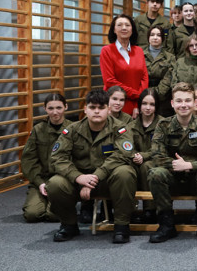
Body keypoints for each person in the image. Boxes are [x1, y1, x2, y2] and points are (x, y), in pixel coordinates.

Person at [47, 89, 137, 243]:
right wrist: (78, 177)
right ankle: (69, 224)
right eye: (92, 107)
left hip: (108, 180)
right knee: (55, 184)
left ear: (108, 110)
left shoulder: (120, 128)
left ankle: (121, 225)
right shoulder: (72, 130)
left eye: (101, 108)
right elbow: (57, 158)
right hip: (79, 180)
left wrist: (96, 176)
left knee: (125, 172)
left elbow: (123, 155)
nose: (97, 111)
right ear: (85, 109)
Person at [146, 82, 197, 242]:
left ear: (194, 102)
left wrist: (190, 165)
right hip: (173, 178)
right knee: (155, 173)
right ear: (172, 103)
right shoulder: (163, 125)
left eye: (188, 100)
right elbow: (156, 155)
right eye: (179, 101)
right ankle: (166, 225)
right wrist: (177, 166)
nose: (184, 105)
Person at [21, 92, 67, 222]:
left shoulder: (73, 129)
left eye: (59, 107)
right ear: (45, 109)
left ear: (66, 107)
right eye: (51, 108)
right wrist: (39, 183)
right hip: (42, 179)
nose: (55, 112)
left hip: (62, 180)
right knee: (32, 214)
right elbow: (28, 159)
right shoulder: (38, 129)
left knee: (54, 216)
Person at [99, 13, 148, 115]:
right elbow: (109, 81)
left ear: (132, 29)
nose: (124, 28)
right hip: (116, 103)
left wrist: (137, 102)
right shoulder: (107, 51)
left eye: (127, 25)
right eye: (119, 25)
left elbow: (144, 78)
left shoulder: (139, 51)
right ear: (114, 29)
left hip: (136, 104)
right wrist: (136, 94)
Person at [130, 88, 161, 223]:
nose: (148, 108)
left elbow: (160, 148)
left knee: (146, 166)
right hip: (136, 160)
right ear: (139, 105)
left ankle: (150, 209)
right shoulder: (131, 125)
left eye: (152, 104)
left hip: (157, 160)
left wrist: (143, 156)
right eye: (144, 104)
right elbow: (126, 146)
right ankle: (129, 209)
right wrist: (134, 156)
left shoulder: (163, 123)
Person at [158, 32, 197, 105]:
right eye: (191, 45)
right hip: (183, 102)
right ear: (188, 48)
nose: (194, 48)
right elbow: (174, 84)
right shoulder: (180, 63)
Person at [143, 25, 175, 108]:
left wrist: (157, 94)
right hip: (142, 95)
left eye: (158, 35)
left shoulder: (170, 57)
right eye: (152, 35)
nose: (155, 37)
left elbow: (169, 77)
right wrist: (144, 92)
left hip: (163, 98)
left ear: (163, 39)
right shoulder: (140, 54)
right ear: (148, 37)